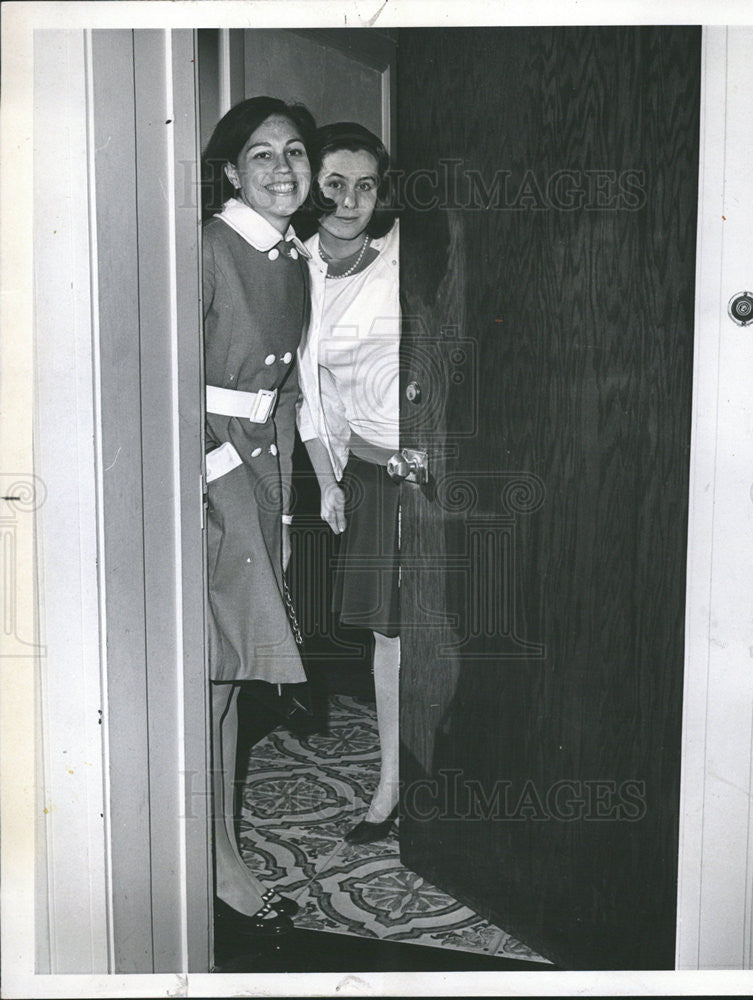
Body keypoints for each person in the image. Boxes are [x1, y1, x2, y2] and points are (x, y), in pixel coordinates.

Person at [201, 96, 314, 938]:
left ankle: (219, 846)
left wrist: (283, 506)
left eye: (296, 153)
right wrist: (218, 480)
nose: (283, 168)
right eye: (263, 155)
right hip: (207, 472)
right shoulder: (208, 247)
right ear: (233, 171)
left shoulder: (290, 257)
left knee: (231, 675)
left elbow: (278, 393)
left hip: (256, 473)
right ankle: (211, 865)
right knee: (207, 677)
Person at [296, 122, 401, 844]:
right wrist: (330, 481)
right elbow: (312, 394)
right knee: (389, 638)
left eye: (365, 185)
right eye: (335, 182)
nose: (349, 198)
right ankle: (392, 783)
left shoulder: (401, 258)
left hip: (434, 462)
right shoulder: (294, 270)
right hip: (369, 470)